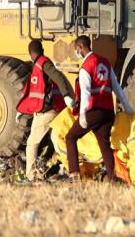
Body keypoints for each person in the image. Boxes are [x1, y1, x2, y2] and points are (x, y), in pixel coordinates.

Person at [65, 35, 134, 182]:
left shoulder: (85, 67)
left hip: (94, 111)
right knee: (104, 144)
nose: (76, 52)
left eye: (76, 49)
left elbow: (86, 93)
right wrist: (127, 106)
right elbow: (116, 88)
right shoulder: (105, 62)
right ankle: (112, 177)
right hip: (108, 112)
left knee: (70, 137)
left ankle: (74, 174)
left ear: (80, 48)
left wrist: (83, 114)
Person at [16, 40, 75, 182]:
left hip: (46, 112)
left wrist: (66, 95)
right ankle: (71, 170)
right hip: (51, 110)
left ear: (30, 53)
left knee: (32, 144)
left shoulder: (42, 64)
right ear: (41, 49)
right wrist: (21, 109)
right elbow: (31, 91)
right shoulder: (39, 65)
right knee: (57, 141)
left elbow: (58, 77)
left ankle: (30, 176)